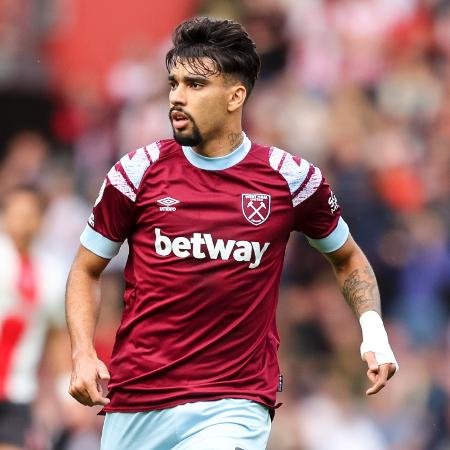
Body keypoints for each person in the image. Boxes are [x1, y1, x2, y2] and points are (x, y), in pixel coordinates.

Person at [66, 17, 398, 450]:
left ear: (235, 96)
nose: (176, 98)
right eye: (174, 83)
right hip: (137, 401)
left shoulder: (291, 180)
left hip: (233, 404)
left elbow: (348, 257)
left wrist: (373, 333)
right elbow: (86, 269)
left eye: (195, 86)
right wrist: (82, 352)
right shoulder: (136, 173)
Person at [0, 186, 67, 450]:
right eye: (16, 213)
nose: (23, 221)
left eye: (30, 214)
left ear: (41, 220)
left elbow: (54, 332)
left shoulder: (51, 273)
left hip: (18, 388)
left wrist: (64, 387)